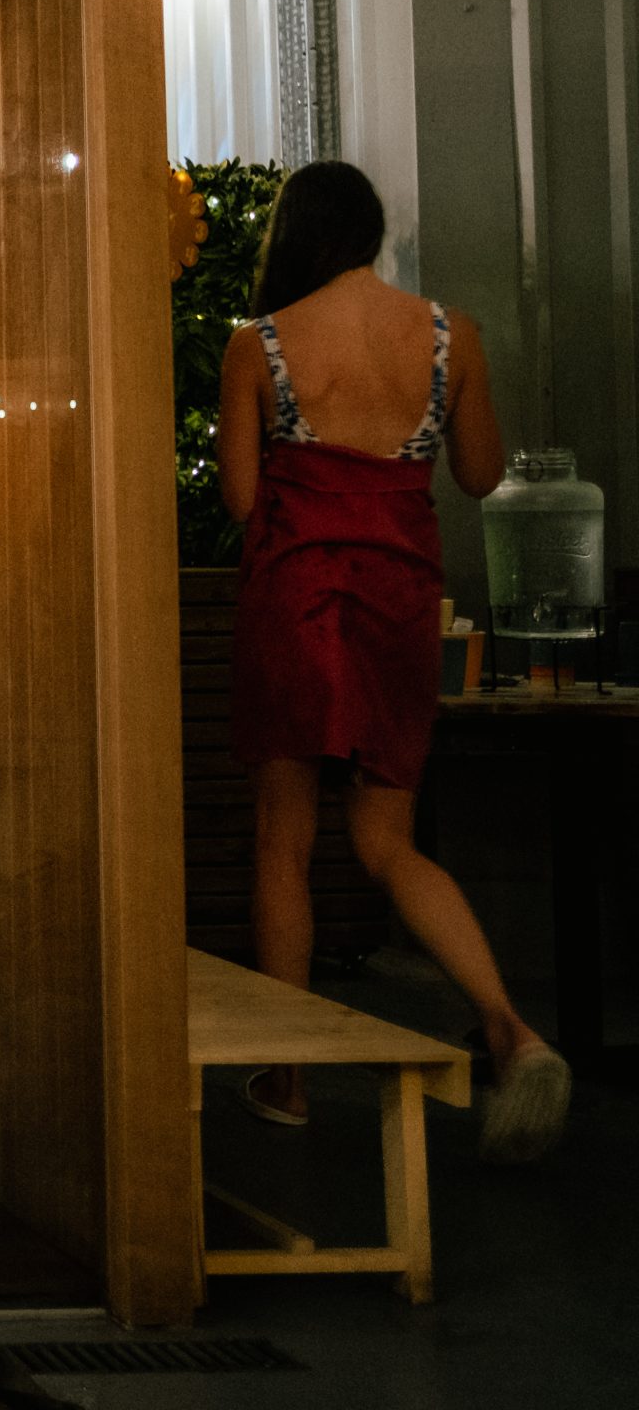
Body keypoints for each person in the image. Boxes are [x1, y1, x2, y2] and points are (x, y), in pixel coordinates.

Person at [217, 160, 568, 1160]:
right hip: (400, 605)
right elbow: (480, 471)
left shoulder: (259, 344)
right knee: (389, 841)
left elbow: (241, 497)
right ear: (372, 232)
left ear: (295, 235)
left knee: (283, 838)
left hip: (294, 598)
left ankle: (284, 1077)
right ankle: (511, 1028)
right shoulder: (452, 334)